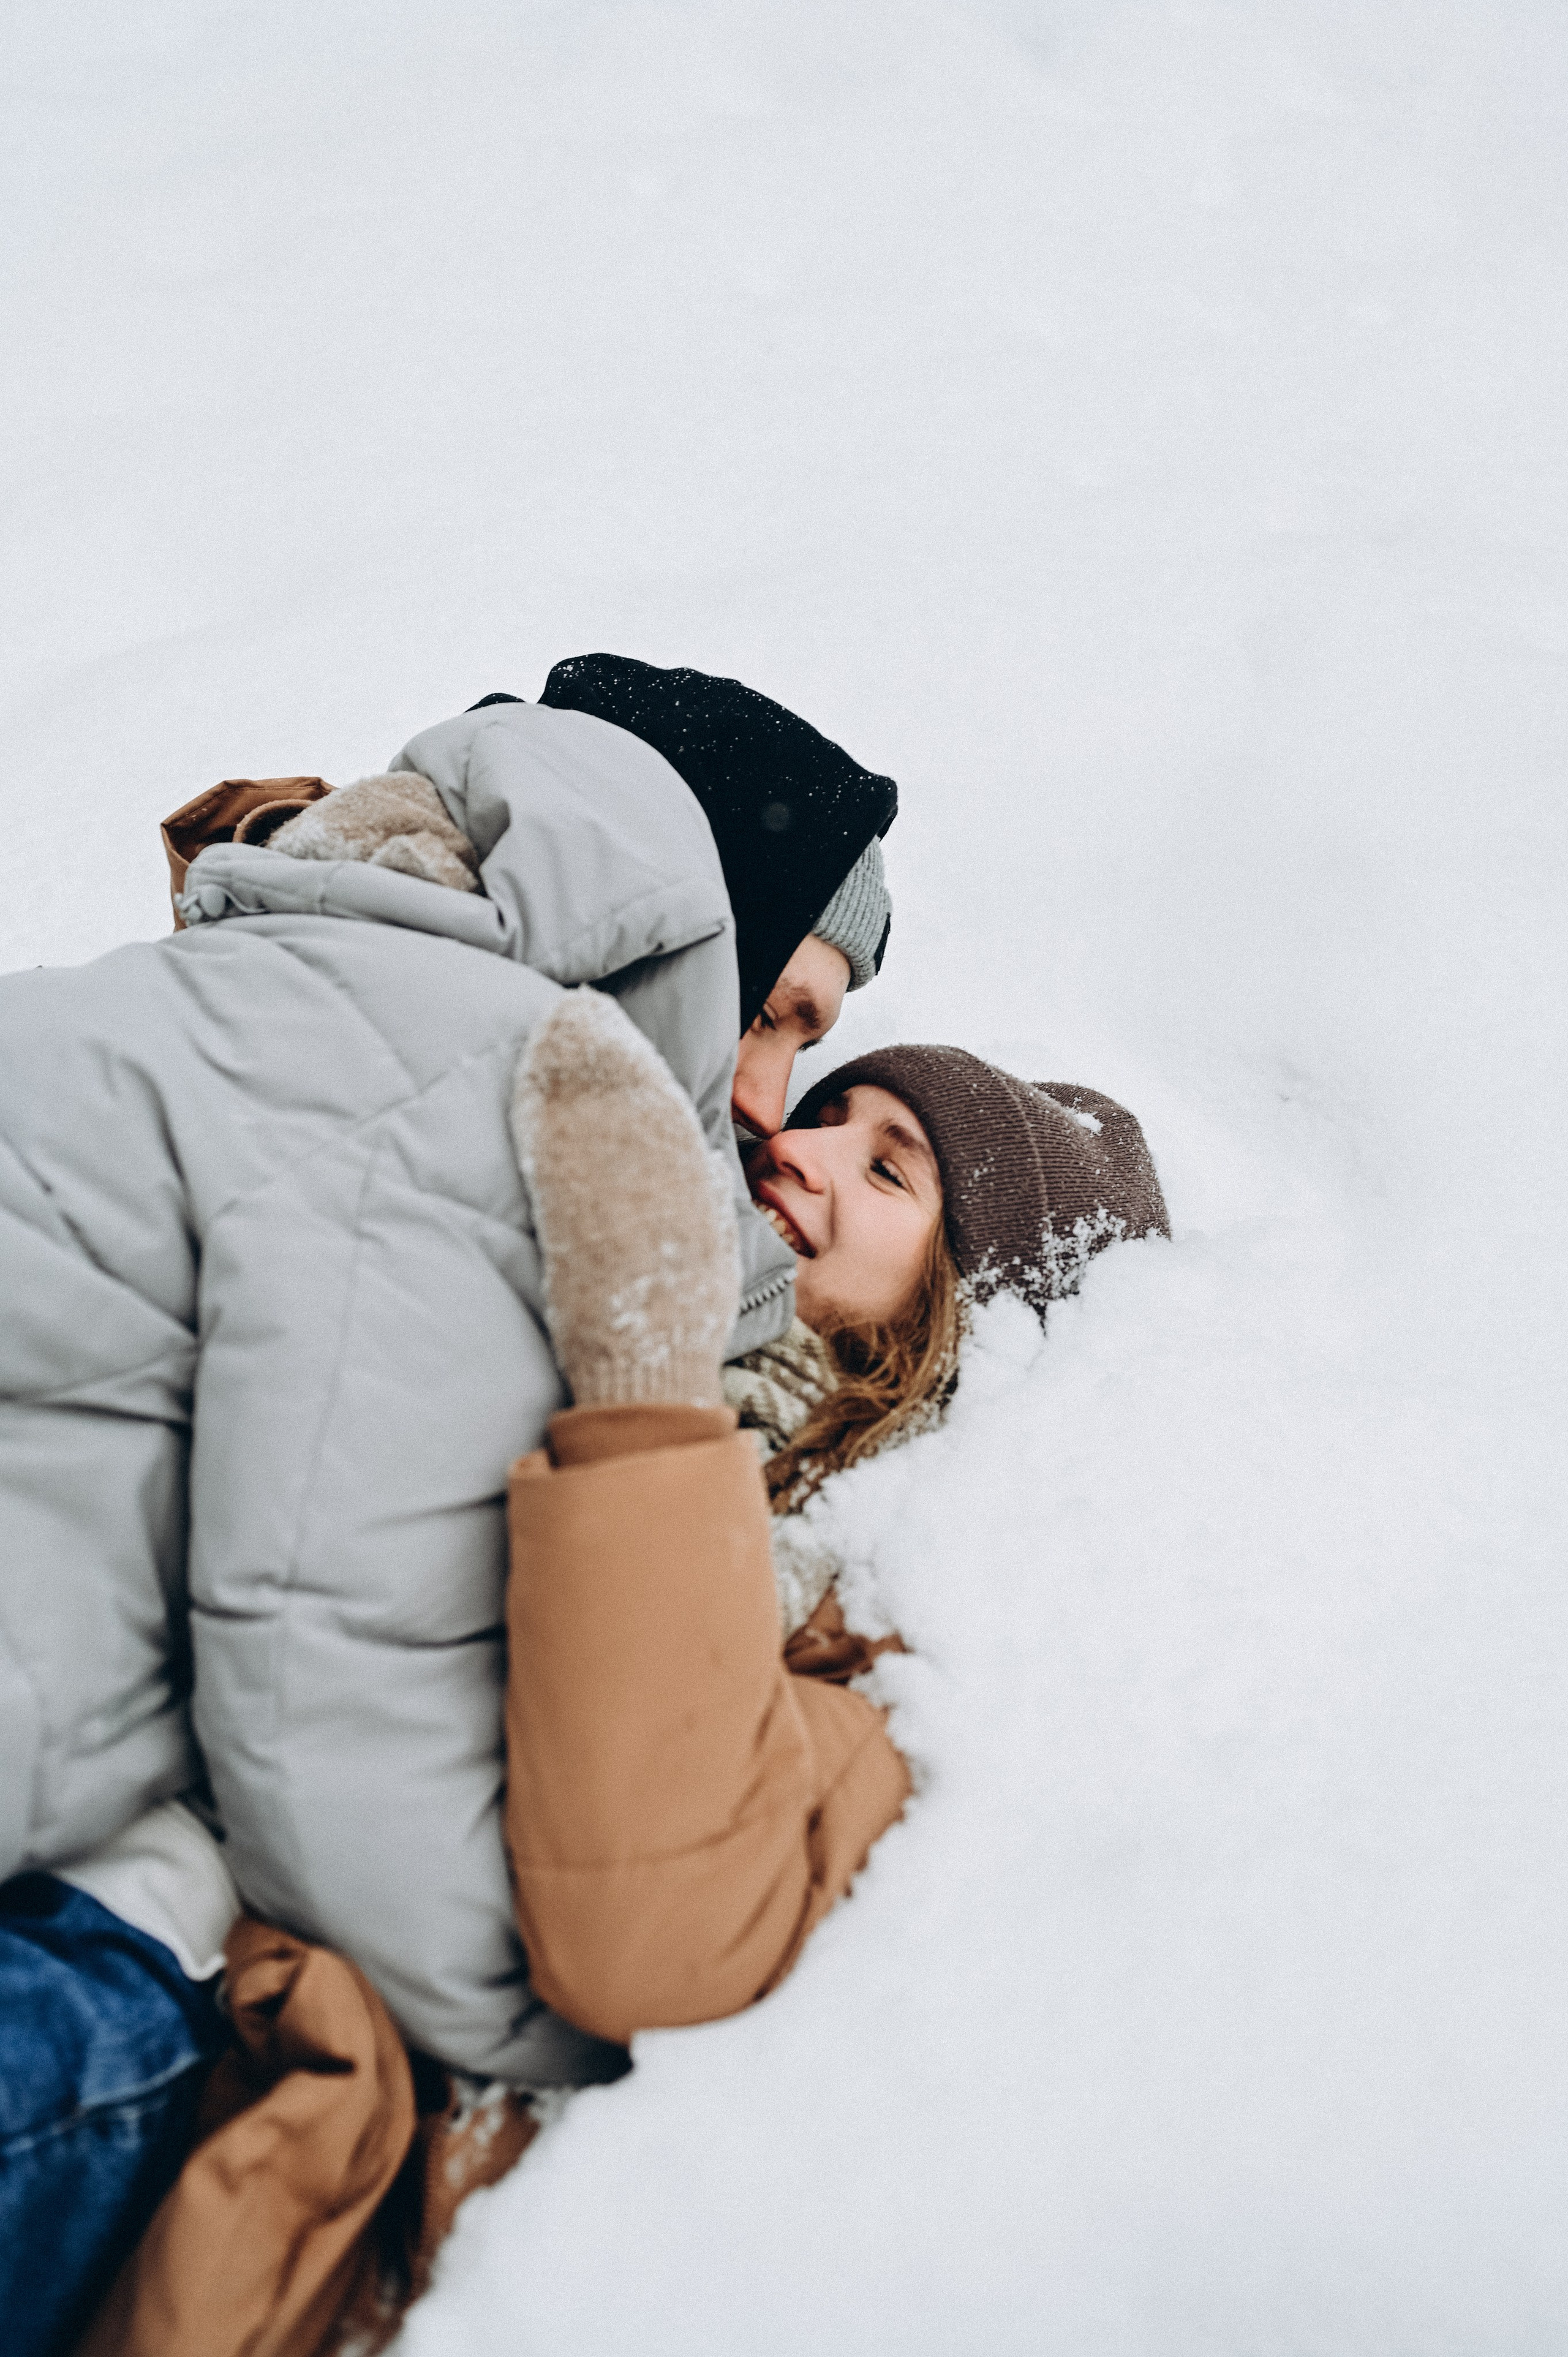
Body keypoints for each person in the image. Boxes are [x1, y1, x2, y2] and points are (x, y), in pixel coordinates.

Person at [0, 662, 896, 2355]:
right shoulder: (487, 1075)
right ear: (700, 916)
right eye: (780, 1015)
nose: (768, 1104)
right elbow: (334, 1731)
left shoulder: (235, 979)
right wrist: (565, 2042)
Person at [76, 994, 1170, 2356]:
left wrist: (643, 1398)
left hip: (249, 2116)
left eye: (889, 1170)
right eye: (824, 1114)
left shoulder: (882, 1614)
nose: (796, 1148)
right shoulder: (584, 1312)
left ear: (971, 1312)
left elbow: (651, 1928)